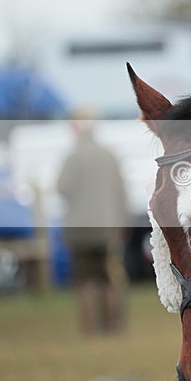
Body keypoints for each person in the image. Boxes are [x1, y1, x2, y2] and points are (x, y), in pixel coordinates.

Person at [57, 111, 128, 334]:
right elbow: (121, 192)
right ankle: (113, 324)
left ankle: (89, 327)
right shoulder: (109, 154)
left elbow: (62, 188)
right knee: (110, 278)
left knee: (85, 279)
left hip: (80, 230)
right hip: (107, 228)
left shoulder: (73, 156)